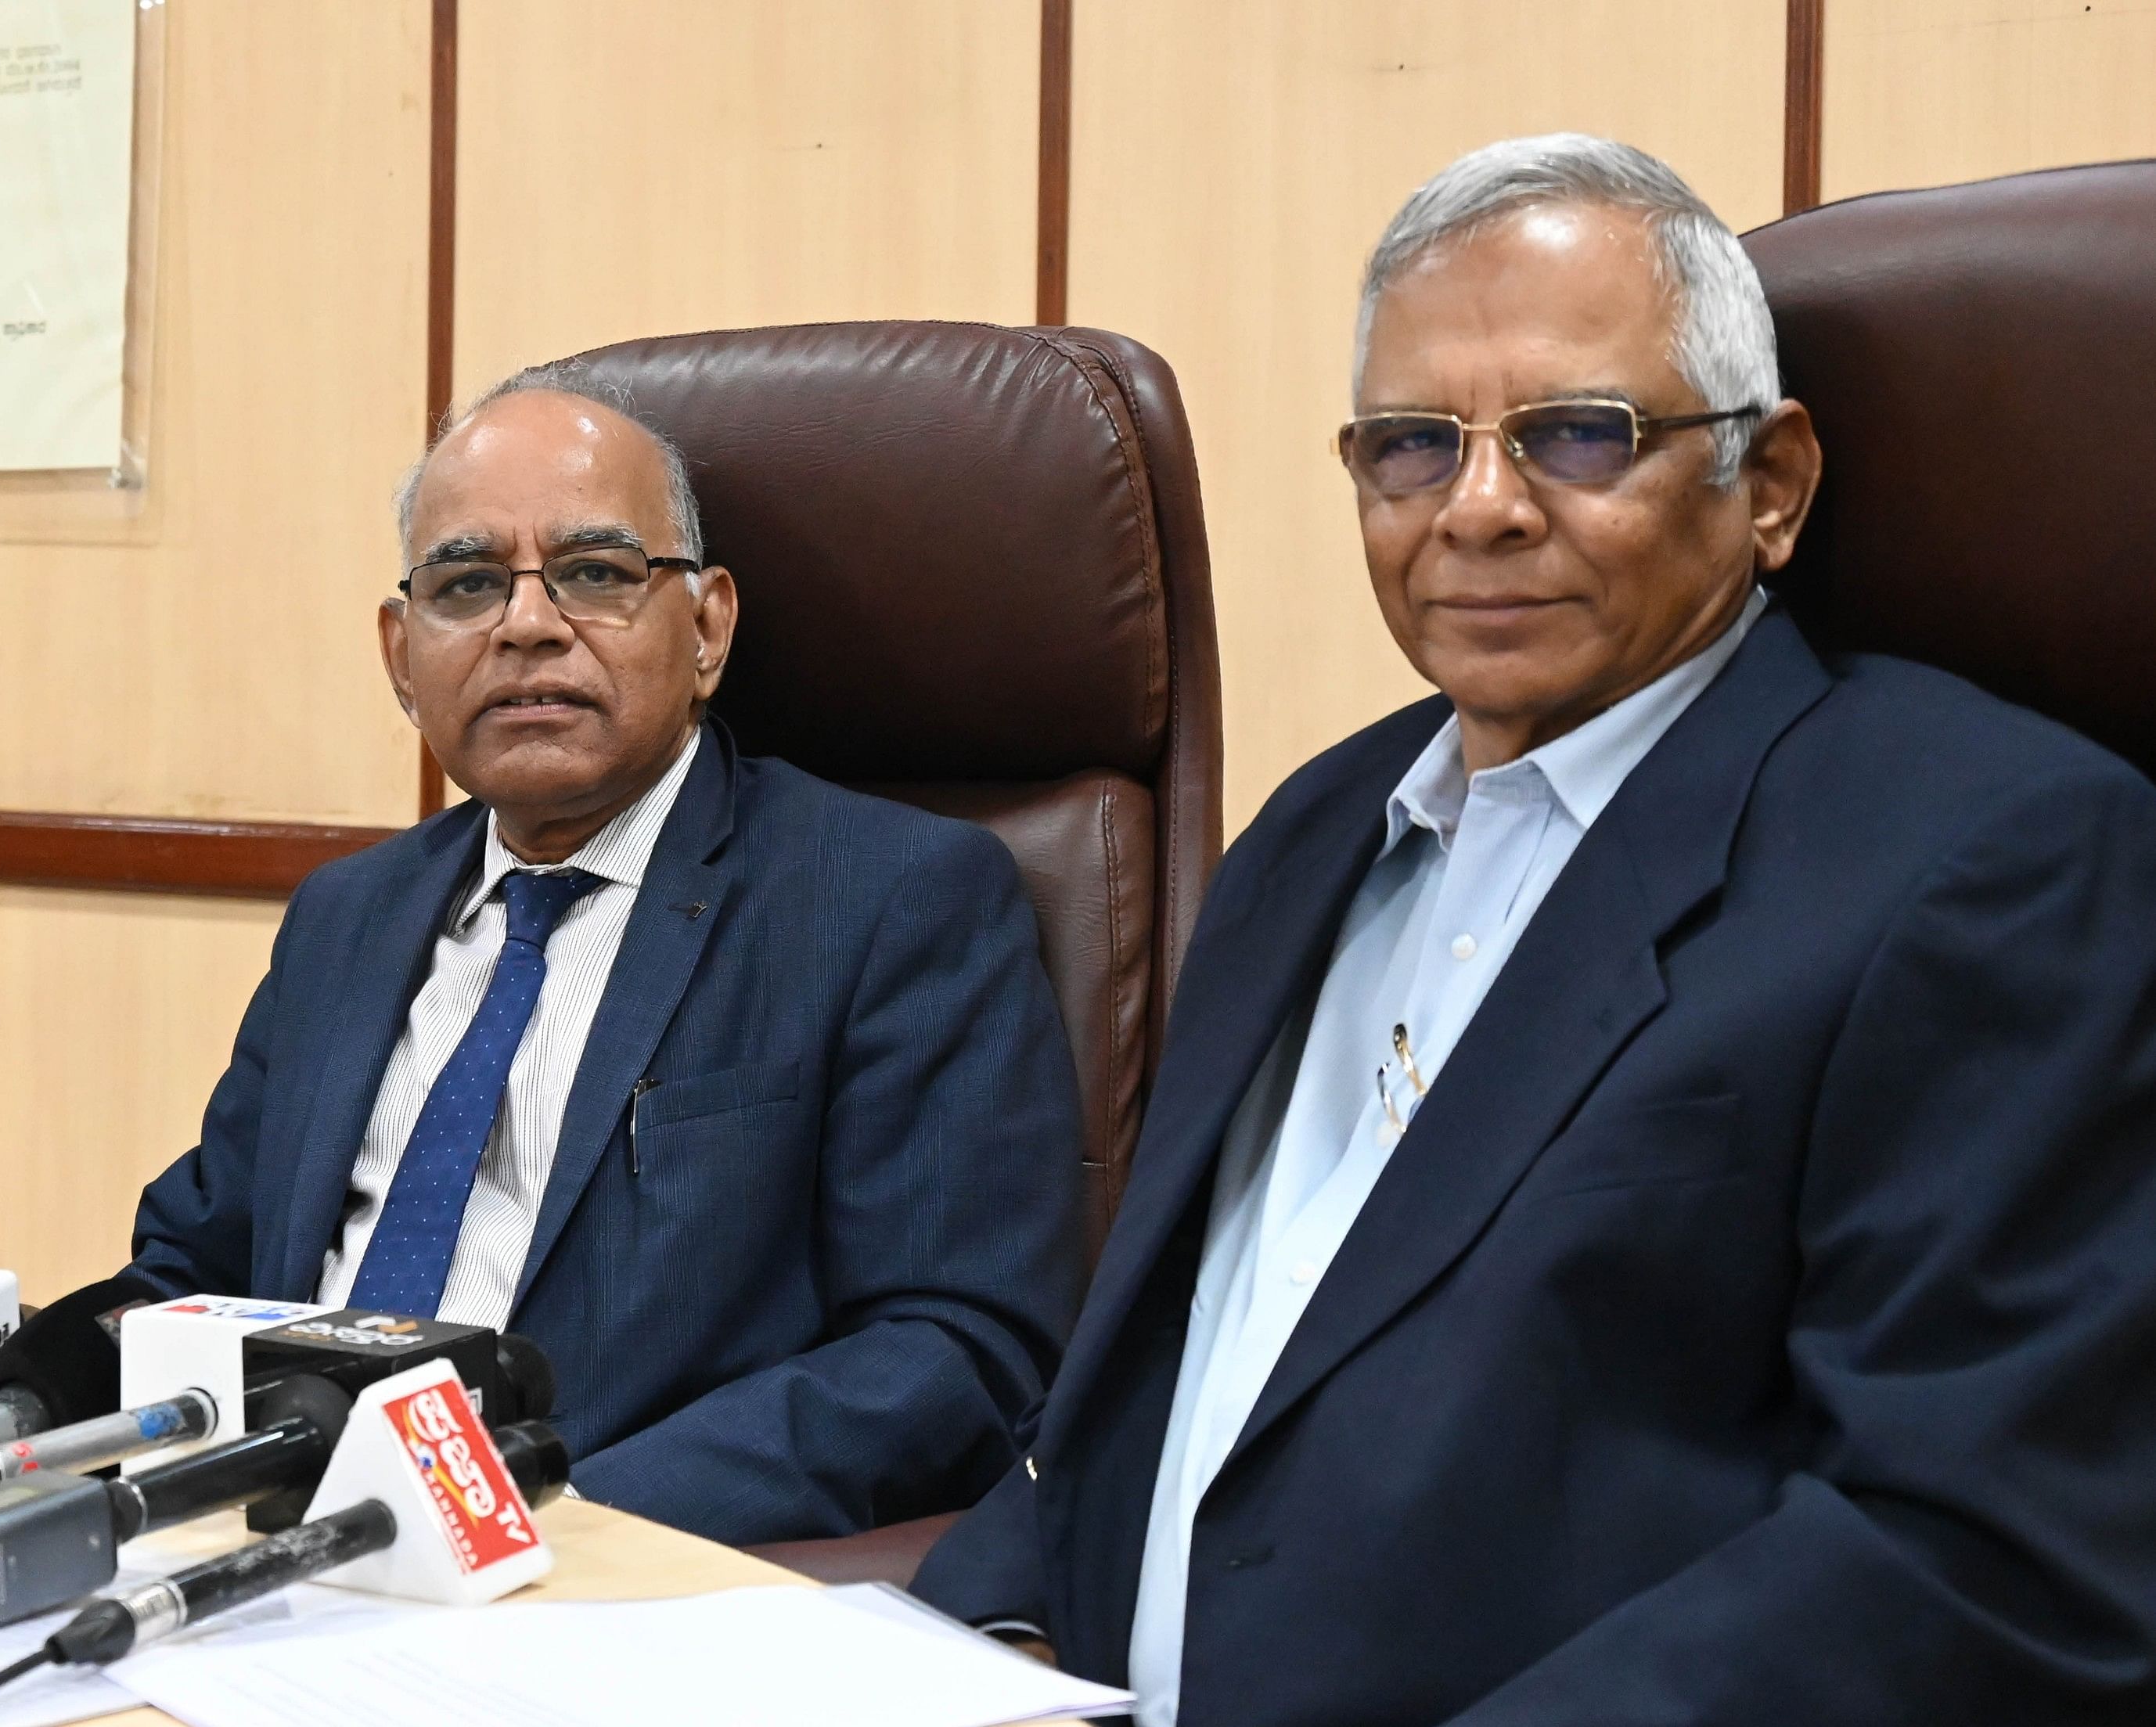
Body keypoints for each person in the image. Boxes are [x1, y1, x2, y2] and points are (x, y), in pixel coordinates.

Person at [915, 134, 2156, 1722]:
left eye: (1577, 434)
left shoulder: (1991, 854)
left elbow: (1972, 1554)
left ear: (1765, 484)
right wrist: (985, 1633)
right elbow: (1170, 1366)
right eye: (1410, 446)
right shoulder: (1313, 825)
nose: (1477, 508)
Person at [103, 363, 1081, 1545]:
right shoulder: (344, 917)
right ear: (401, 655)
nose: (525, 622)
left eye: (595, 573)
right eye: (466, 582)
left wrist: (545, 1512)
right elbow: (189, 1262)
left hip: (607, 1581)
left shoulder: (887, 901)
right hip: (274, 1541)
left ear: (709, 623)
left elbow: (952, 1352)